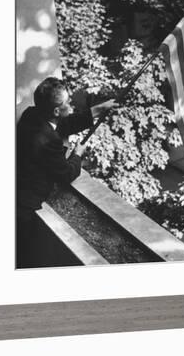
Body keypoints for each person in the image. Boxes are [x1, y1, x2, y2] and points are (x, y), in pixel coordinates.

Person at [16, 76, 116, 268]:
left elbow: (64, 123)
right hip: (24, 210)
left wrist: (99, 109)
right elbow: (66, 174)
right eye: (68, 102)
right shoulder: (48, 142)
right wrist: (77, 155)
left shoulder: (32, 115)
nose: (71, 103)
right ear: (55, 110)